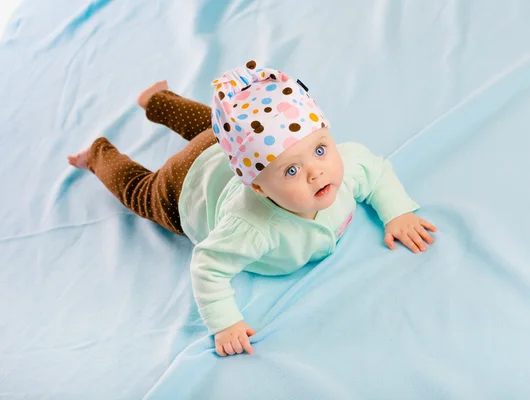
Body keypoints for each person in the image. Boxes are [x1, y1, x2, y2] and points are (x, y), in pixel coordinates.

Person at [68, 60, 437, 357]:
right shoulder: (250, 228)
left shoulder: (348, 166)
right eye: (292, 171)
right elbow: (208, 267)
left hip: (221, 146)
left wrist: (398, 211)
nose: (316, 172)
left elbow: (376, 171)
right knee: (140, 191)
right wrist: (225, 322)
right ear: (257, 186)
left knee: (213, 129)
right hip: (183, 188)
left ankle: (157, 100)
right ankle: (99, 153)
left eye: (321, 149)